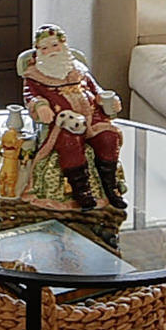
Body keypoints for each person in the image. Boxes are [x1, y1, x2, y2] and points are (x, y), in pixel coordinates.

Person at [18, 25, 125, 210]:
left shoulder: (78, 70)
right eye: (44, 48)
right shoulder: (34, 76)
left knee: (109, 138)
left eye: (54, 45)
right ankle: (81, 190)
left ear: (63, 45)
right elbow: (31, 95)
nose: (51, 51)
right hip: (62, 123)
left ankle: (110, 187)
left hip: (93, 118)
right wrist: (40, 105)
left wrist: (108, 100)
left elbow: (96, 89)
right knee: (70, 141)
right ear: (38, 52)